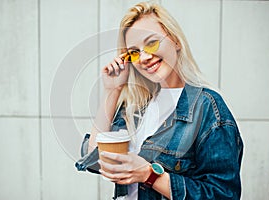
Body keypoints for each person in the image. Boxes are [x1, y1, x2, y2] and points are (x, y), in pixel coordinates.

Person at [75, 1, 243, 199]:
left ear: (176, 41)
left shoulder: (207, 107)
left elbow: (223, 195)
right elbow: (96, 160)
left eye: (152, 42)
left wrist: (150, 175)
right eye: (134, 52)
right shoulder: (135, 106)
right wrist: (112, 91)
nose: (144, 57)